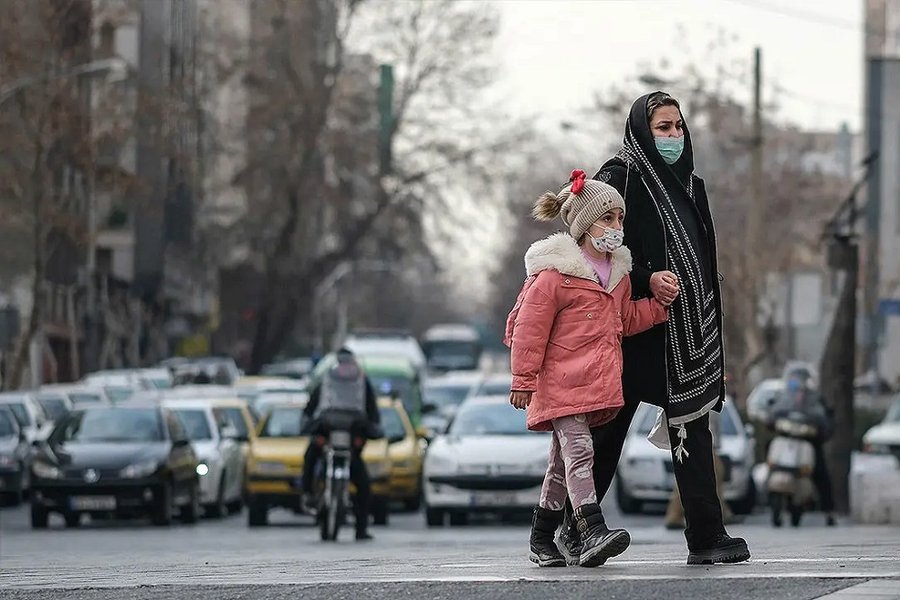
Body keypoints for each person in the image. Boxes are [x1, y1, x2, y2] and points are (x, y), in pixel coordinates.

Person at [557, 92, 751, 566]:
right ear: (643, 131)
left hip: (684, 334)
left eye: (678, 127)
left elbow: (704, 260)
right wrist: (647, 277)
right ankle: (571, 529)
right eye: (662, 128)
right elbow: (596, 247)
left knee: (693, 433)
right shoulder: (620, 177)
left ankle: (706, 537)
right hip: (630, 330)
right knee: (607, 434)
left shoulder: (691, 185)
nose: (672, 137)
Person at [504, 170, 671, 567]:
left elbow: (624, 320)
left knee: (561, 466)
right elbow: (529, 329)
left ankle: (542, 538)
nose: (616, 227)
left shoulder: (618, 276)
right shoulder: (554, 276)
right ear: (583, 225)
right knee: (580, 452)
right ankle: (591, 530)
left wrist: (658, 309)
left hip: (594, 385)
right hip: (560, 384)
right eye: (607, 218)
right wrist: (523, 380)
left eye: (619, 219)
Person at [301, 348, 382, 541]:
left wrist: (366, 433)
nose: (345, 368)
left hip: (351, 444)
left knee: (363, 485)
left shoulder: (362, 384)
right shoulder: (326, 383)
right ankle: (309, 494)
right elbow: (311, 408)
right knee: (310, 457)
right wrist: (313, 430)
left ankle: (361, 528)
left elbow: (372, 411)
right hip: (327, 436)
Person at [769, 370, 836, 526]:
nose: (799, 385)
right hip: (786, 436)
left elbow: (824, 417)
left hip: (809, 439)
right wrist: (771, 418)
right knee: (772, 453)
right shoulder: (785, 397)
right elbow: (773, 412)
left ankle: (829, 511)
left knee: (820, 471)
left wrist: (822, 426)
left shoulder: (814, 398)